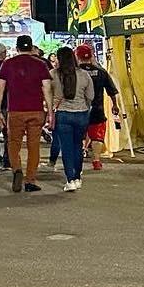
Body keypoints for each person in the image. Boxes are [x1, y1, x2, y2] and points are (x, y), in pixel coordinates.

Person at [0, 36, 52, 193]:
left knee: (13, 143)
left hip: (15, 111)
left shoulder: (8, 64)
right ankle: (30, 180)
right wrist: (50, 111)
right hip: (36, 110)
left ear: (17, 47)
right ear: (31, 48)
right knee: (34, 146)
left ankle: (17, 169)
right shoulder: (40, 64)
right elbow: (47, 88)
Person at [46, 45, 96, 192]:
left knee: (66, 148)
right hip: (81, 114)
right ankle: (78, 177)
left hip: (63, 115)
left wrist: (51, 109)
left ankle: (70, 179)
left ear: (59, 59)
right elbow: (91, 96)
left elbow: (47, 93)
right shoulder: (84, 74)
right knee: (77, 146)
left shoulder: (53, 74)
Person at [76, 42, 122, 170]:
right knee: (97, 136)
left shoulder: (75, 72)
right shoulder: (101, 72)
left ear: (77, 56)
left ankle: (79, 157)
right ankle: (96, 160)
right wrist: (115, 105)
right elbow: (111, 90)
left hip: (78, 109)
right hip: (97, 108)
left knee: (78, 134)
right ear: (91, 56)